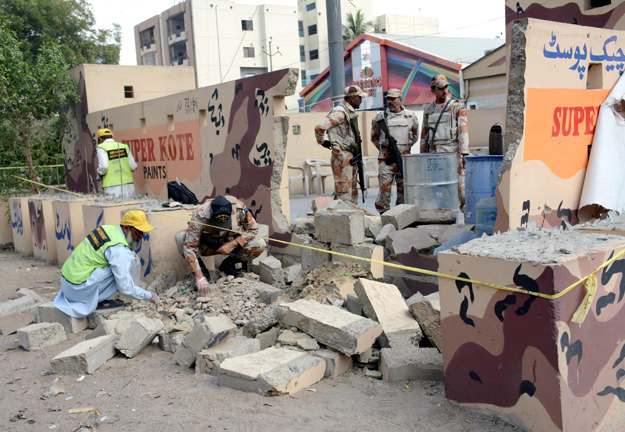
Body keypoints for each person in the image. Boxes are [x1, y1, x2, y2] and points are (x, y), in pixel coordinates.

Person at [54, 210, 159, 319]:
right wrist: (150, 296)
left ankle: (101, 296)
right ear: (126, 228)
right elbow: (126, 288)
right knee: (123, 266)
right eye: (139, 232)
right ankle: (99, 300)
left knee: (126, 260)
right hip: (78, 292)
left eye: (143, 233)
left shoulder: (107, 229)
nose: (141, 236)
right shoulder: (119, 250)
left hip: (67, 284)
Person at [174, 196, 267, 295]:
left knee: (259, 244)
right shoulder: (201, 213)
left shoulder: (239, 208)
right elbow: (190, 246)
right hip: (207, 245)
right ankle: (203, 272)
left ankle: (228, 265)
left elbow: (253, 228)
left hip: (230, 243)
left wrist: (233, 244)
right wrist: (199, 276)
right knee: (180, 238)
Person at [420, 74, 469, 210]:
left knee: (461, 189)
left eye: (446, 87)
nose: (445, 91)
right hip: (435, 155)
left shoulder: (456, 107)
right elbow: (424, 135)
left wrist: (465, 154)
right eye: (440, 88)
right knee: (438, 189)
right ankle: (443, 220)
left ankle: (466, 220)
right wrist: (422, 156)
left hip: (453, 153)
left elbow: (463, 130)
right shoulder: (428, 110)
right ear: (433, 90)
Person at [314, 85, 369, 204]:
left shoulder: (349, 112)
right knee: (343, 195)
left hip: (350, 157)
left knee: (352, 193)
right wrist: (322, 142)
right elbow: (319, 128)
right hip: (341, 157)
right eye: (360, 97)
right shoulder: (339, 112)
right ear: (353, 98)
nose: (361, 100)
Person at [370, 89, 420, 214]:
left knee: (404, 191)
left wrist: (405, 149)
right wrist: (384, 151)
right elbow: (374, 137)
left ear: (400, 100)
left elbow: (415, 136)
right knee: (384, 190)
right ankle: (384, 215)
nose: (390, 101)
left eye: (393, 99)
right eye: (388, 99)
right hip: (386, 160)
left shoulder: (410, 116)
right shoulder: (380, 117)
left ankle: (399, 216)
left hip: (404, 159)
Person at [96, 128, 138, 198]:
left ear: (100, 139)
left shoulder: (101, 147)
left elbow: (104, 167)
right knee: (130, 206)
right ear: (112, 137)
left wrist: (100, 174)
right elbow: (133, 166)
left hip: (112, 186)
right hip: (128, 184)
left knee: (115, 207)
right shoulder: (124, 146)